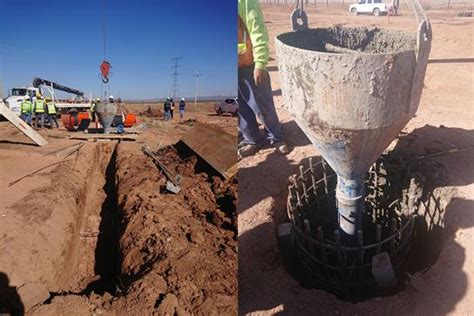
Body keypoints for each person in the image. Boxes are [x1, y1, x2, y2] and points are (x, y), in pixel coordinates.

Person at [238, 0, 289, 158]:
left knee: (262, 105)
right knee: (242, 109)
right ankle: (251, 139)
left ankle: (275, 137)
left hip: (249, 64)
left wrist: (260, 64)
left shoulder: (245, 2)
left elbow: (258, 31)